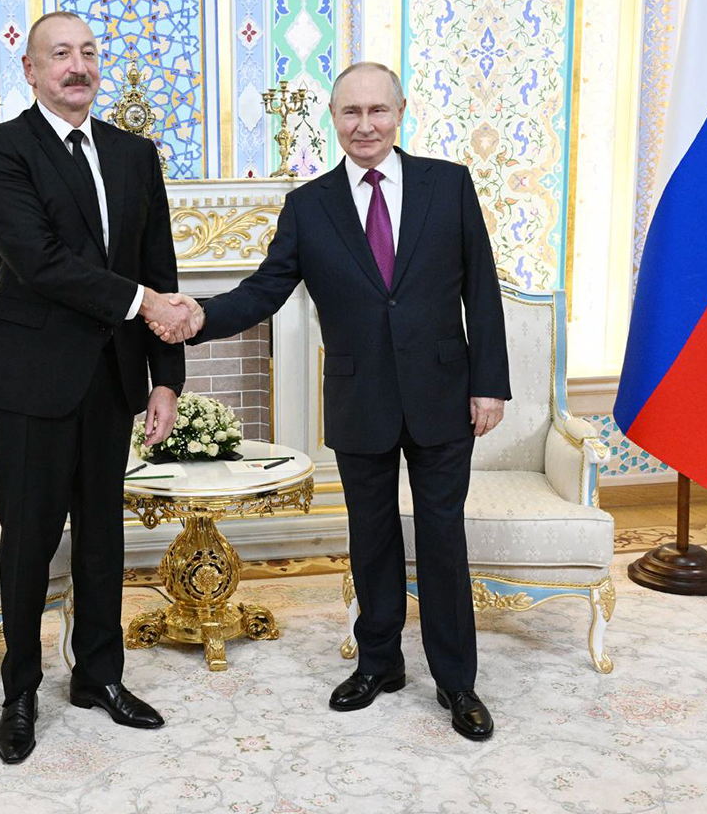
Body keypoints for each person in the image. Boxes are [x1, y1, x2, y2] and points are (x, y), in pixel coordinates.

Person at [152, 62, 509, 741]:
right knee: (370, 538)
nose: (365, 125)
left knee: (442, 539)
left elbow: (481, 290)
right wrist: (198, 316)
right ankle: (379, 664)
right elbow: (264, 290)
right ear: (334, 119)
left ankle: (457, 681)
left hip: (442, 394)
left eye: (377, 110)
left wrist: (489, 383)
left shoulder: (449, 184)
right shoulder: (309, 206)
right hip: (358, 395)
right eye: (351, 112)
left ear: (400, 111)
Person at [0, 11, 200, 764]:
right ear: (30, 69)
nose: (79, 66)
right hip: (33, 381)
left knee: (103, 540)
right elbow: (38, 261)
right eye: (61, 53)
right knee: (29, 544)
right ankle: (20, 694)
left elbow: (158, 261)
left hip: (113, 379)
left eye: (89, 53)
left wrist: (166, 379)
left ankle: (99, 677)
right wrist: (145, 303)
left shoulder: (135, 153)